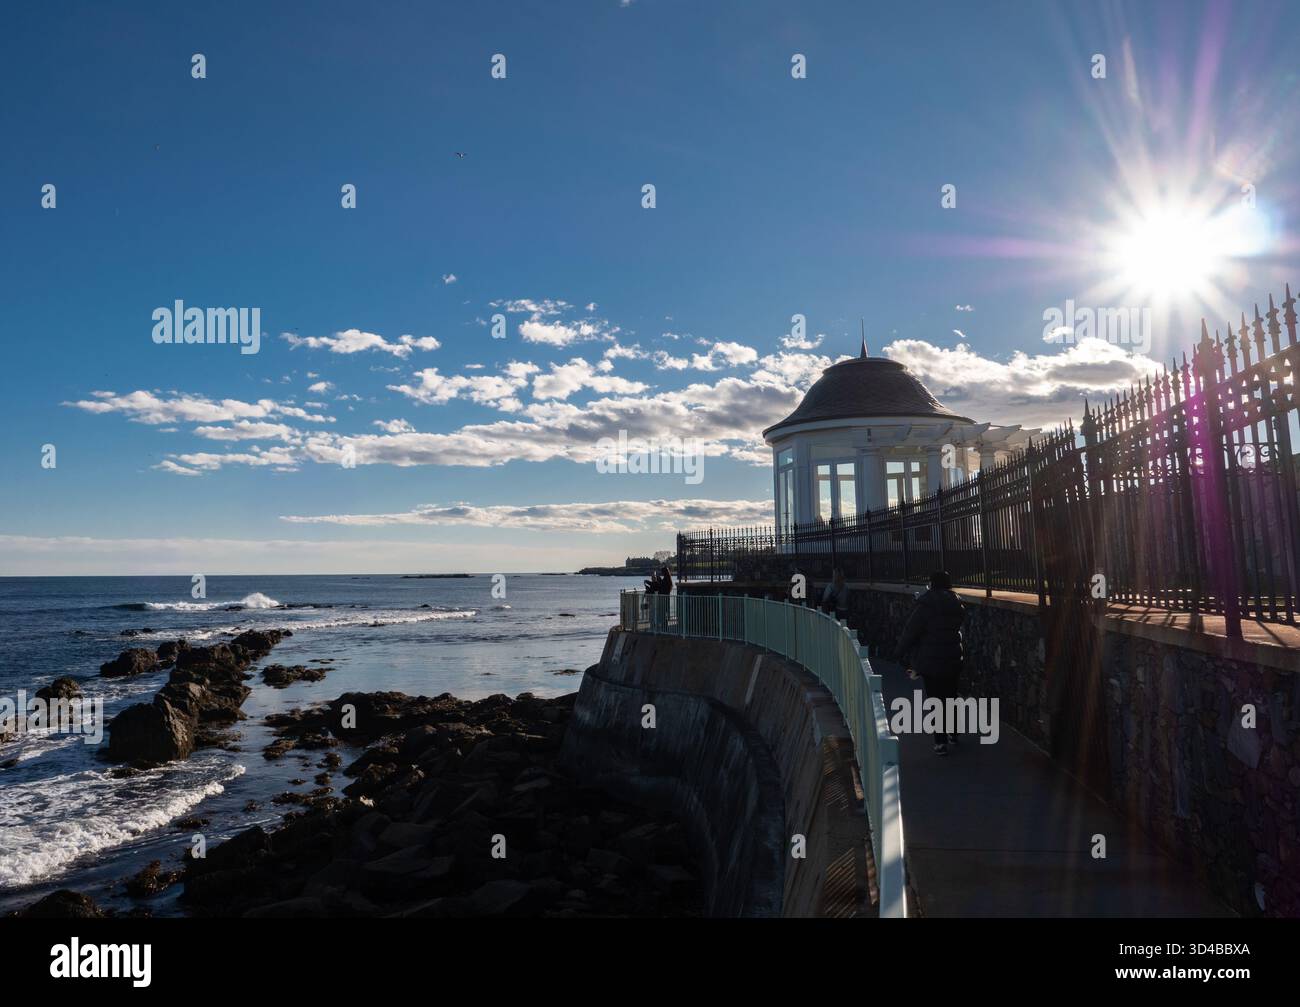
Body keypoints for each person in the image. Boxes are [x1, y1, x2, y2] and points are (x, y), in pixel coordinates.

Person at [897, 570, 965, 757]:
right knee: (951, 695)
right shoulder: (956, 602)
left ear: (932, 584)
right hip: (952, 656)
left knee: (936, 699)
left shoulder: (926, 604)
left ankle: (940, 742)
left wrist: (899, 651)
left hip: (931, 659)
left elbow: (911, 630)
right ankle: (954, 731)